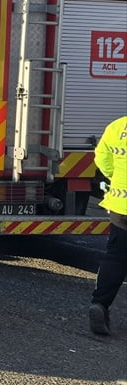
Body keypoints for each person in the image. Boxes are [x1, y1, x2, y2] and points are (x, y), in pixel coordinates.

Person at [89, 115, 126, 336]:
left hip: (121, 205)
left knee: (116, 258)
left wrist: (116, 175)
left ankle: (100, 304)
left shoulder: (118, 126)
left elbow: (102, 158)